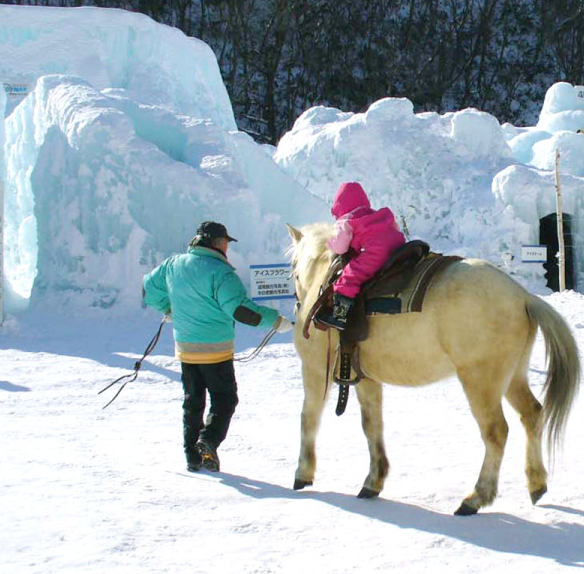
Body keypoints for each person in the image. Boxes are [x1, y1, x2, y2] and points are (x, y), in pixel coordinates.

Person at [143, 221, 292, 473]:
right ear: (216, 243)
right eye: (226, 242)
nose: (227, 247)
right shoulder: (221, 273)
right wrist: (276, 321)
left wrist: (168, 308)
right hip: (215, 351)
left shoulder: (173, 265)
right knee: (225, 399)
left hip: (187, 349)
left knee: (193, 402)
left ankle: (192, 456)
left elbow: (149, 287)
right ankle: (208, 441)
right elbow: (240, 310)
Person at [314, 182, 407, 331]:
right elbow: (394, 228)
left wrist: (329, 243)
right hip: (399, 248)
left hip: (375, 253)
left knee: (349, 276)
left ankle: (339, 316)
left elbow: (341, 247)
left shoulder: (346, 221)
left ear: (339, 206)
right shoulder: (378, 214)